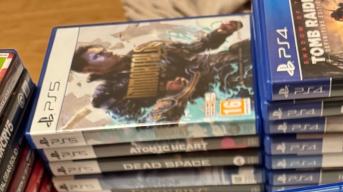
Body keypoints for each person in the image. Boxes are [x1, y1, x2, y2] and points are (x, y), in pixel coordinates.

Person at [69, 20, 252, 123]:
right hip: (224, 88)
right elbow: (143, 122)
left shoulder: (146, 49)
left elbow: (196, 47)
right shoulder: (107, 94)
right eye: (99, 56)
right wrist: (170, 95)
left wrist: (221, 32)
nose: (107, 52)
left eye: (103, 50)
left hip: (229, 59)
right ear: (89, 69)